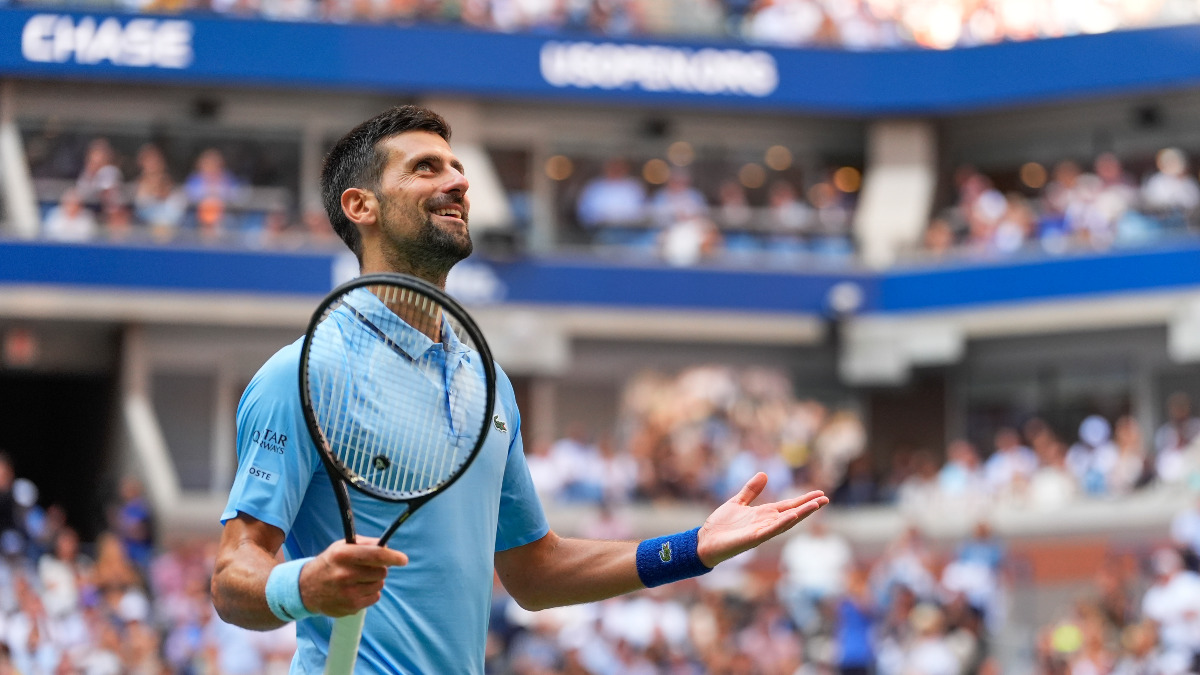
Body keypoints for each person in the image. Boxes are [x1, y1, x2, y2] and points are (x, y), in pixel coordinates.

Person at [210, 106, 829, 675]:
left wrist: (693, 548)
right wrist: (303, 586)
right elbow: (234, 574)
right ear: (360, 205)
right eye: (426, 168)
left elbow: (535, 571)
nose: (459, 182)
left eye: (457, 168)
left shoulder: (487, 382)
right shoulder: (301, 374)